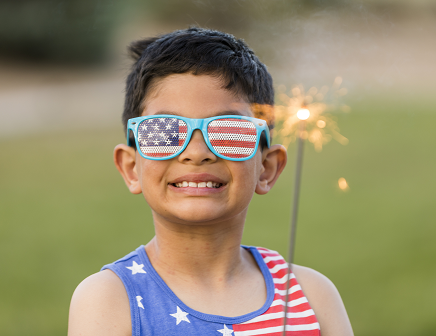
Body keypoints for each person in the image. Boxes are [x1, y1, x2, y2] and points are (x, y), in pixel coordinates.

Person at [68, 27, 353, 336]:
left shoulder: (311, 297)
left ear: (267, 168)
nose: (196, 153)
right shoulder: (109, 300)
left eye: (229, 131)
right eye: (163, 131)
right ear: (131, 167)